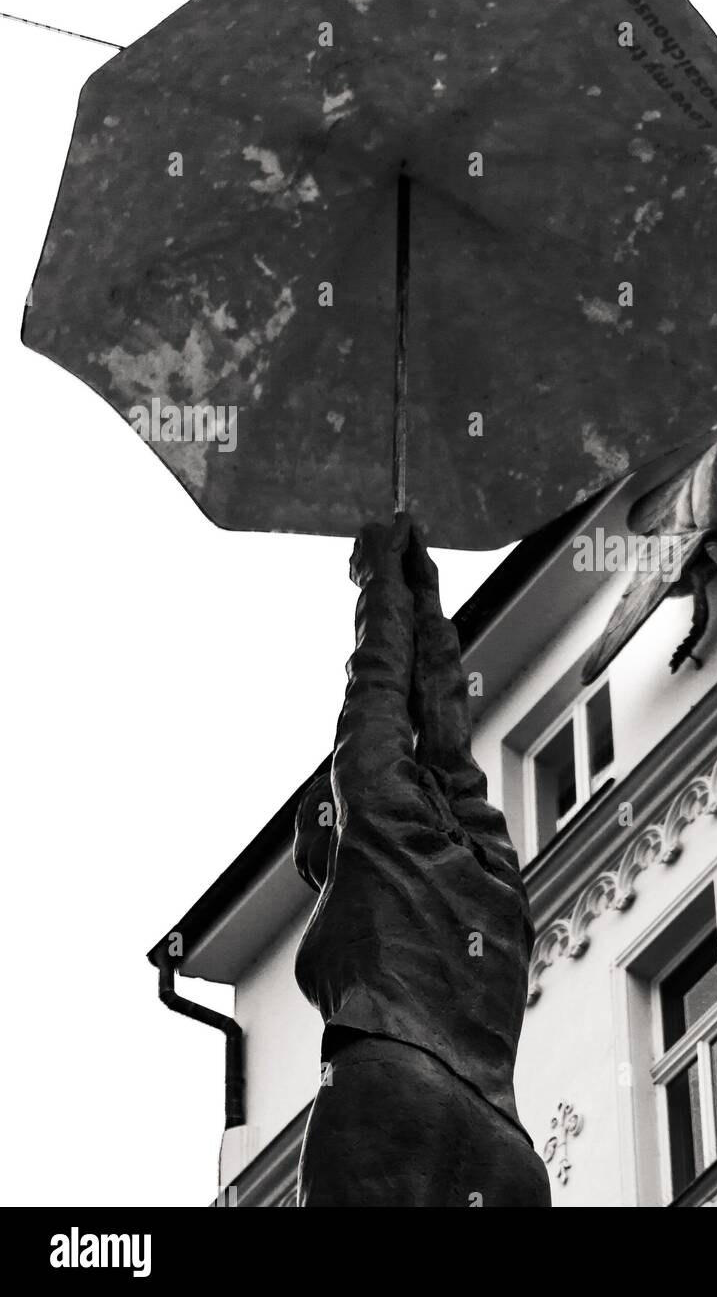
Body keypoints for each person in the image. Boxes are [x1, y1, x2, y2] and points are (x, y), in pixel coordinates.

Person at [291, 512, 550, 1207]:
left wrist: (380, 582)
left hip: (390, 1094)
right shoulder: (490, 871)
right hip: (504, 1149)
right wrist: (421, 595)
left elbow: (374, 690)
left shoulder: (374, 826)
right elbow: (448, 733)